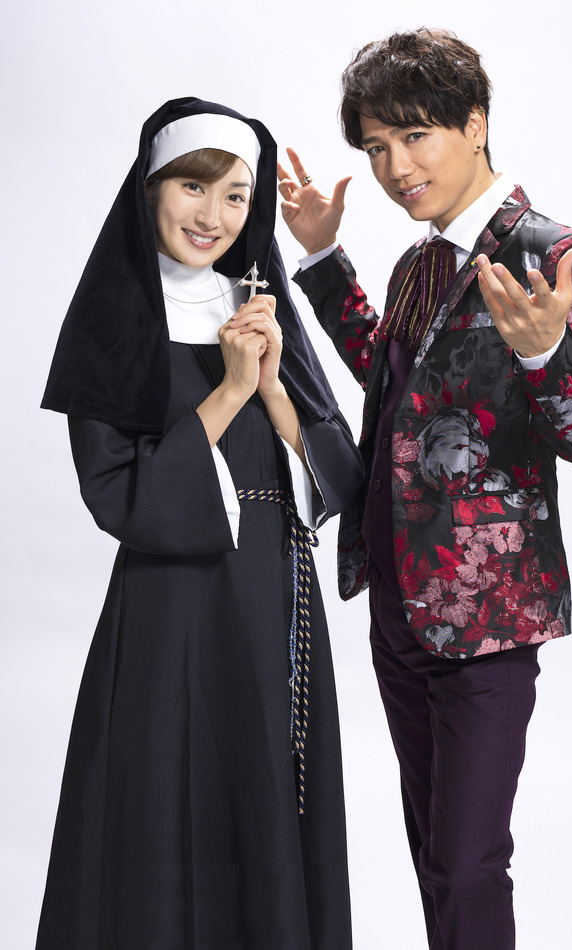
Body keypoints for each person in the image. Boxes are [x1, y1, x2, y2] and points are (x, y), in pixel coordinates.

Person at [277, 28, 572, 950]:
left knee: (469, 861)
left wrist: (547, 355)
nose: (396, 168)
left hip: (487, 614)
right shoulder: (420, 261)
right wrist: (322, 261)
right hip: (396, 599)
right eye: (376, 147)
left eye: (415, 136)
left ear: (475, 124)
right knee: (435, 853)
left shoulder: (554, 254)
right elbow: (396, 386)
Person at [37, 97, 363, 950]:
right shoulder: (113, 321)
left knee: (268, 804)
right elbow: (121, 497)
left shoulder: (260, 303)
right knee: (162, 805)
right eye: (193, 187)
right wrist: (229, 389)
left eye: (235, 197)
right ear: (150, 188)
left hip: (275, 603)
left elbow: (336, 473)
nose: (213, 216)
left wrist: (272, 384)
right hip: (168, 611)